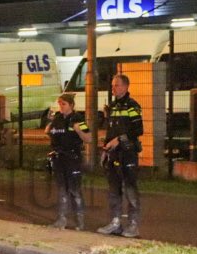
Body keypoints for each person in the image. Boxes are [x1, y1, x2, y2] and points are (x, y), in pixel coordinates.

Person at [97, 73, 144, 238]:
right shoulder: (113, 107)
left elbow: (138, 130)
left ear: (125, 87)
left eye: (116, 85)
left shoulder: (132, 106)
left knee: (130, 189)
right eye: (112, 85)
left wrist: (119, 139)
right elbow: (111, 132)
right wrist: (106, 149)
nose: (113, 88)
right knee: (113, 190)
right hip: (114, 154)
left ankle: (133, 225)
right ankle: (115, 223)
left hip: (128, 153)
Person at [45, 93, 91, 230]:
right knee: (62, 190)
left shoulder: (77, 119)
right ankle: (61, 220)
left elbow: (89, 138)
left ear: (71, 105)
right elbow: (50, 132)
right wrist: (48, 129)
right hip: (59, 158)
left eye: (63, 104)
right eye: (59, 103)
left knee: (74, 190)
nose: (61, 106)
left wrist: (78, 131)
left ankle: (80, 221)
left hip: (72, 158)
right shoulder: (57, 118)